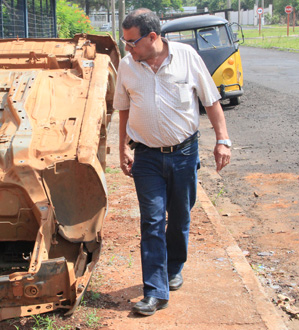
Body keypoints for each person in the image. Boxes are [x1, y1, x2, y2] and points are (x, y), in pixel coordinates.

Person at [113, 9, 232, 316]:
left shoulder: (187, 57)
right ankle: (155, 290)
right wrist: (122, 147)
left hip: (184, 154)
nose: (127, 48)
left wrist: (222, 140)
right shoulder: (127, 66)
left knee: (179, 216)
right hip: (147, 156)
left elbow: (211, 101)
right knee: (151, 221)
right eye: (124, 41)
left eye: (131, 42)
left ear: (153, 37)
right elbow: (123, 109)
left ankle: (174, 266)